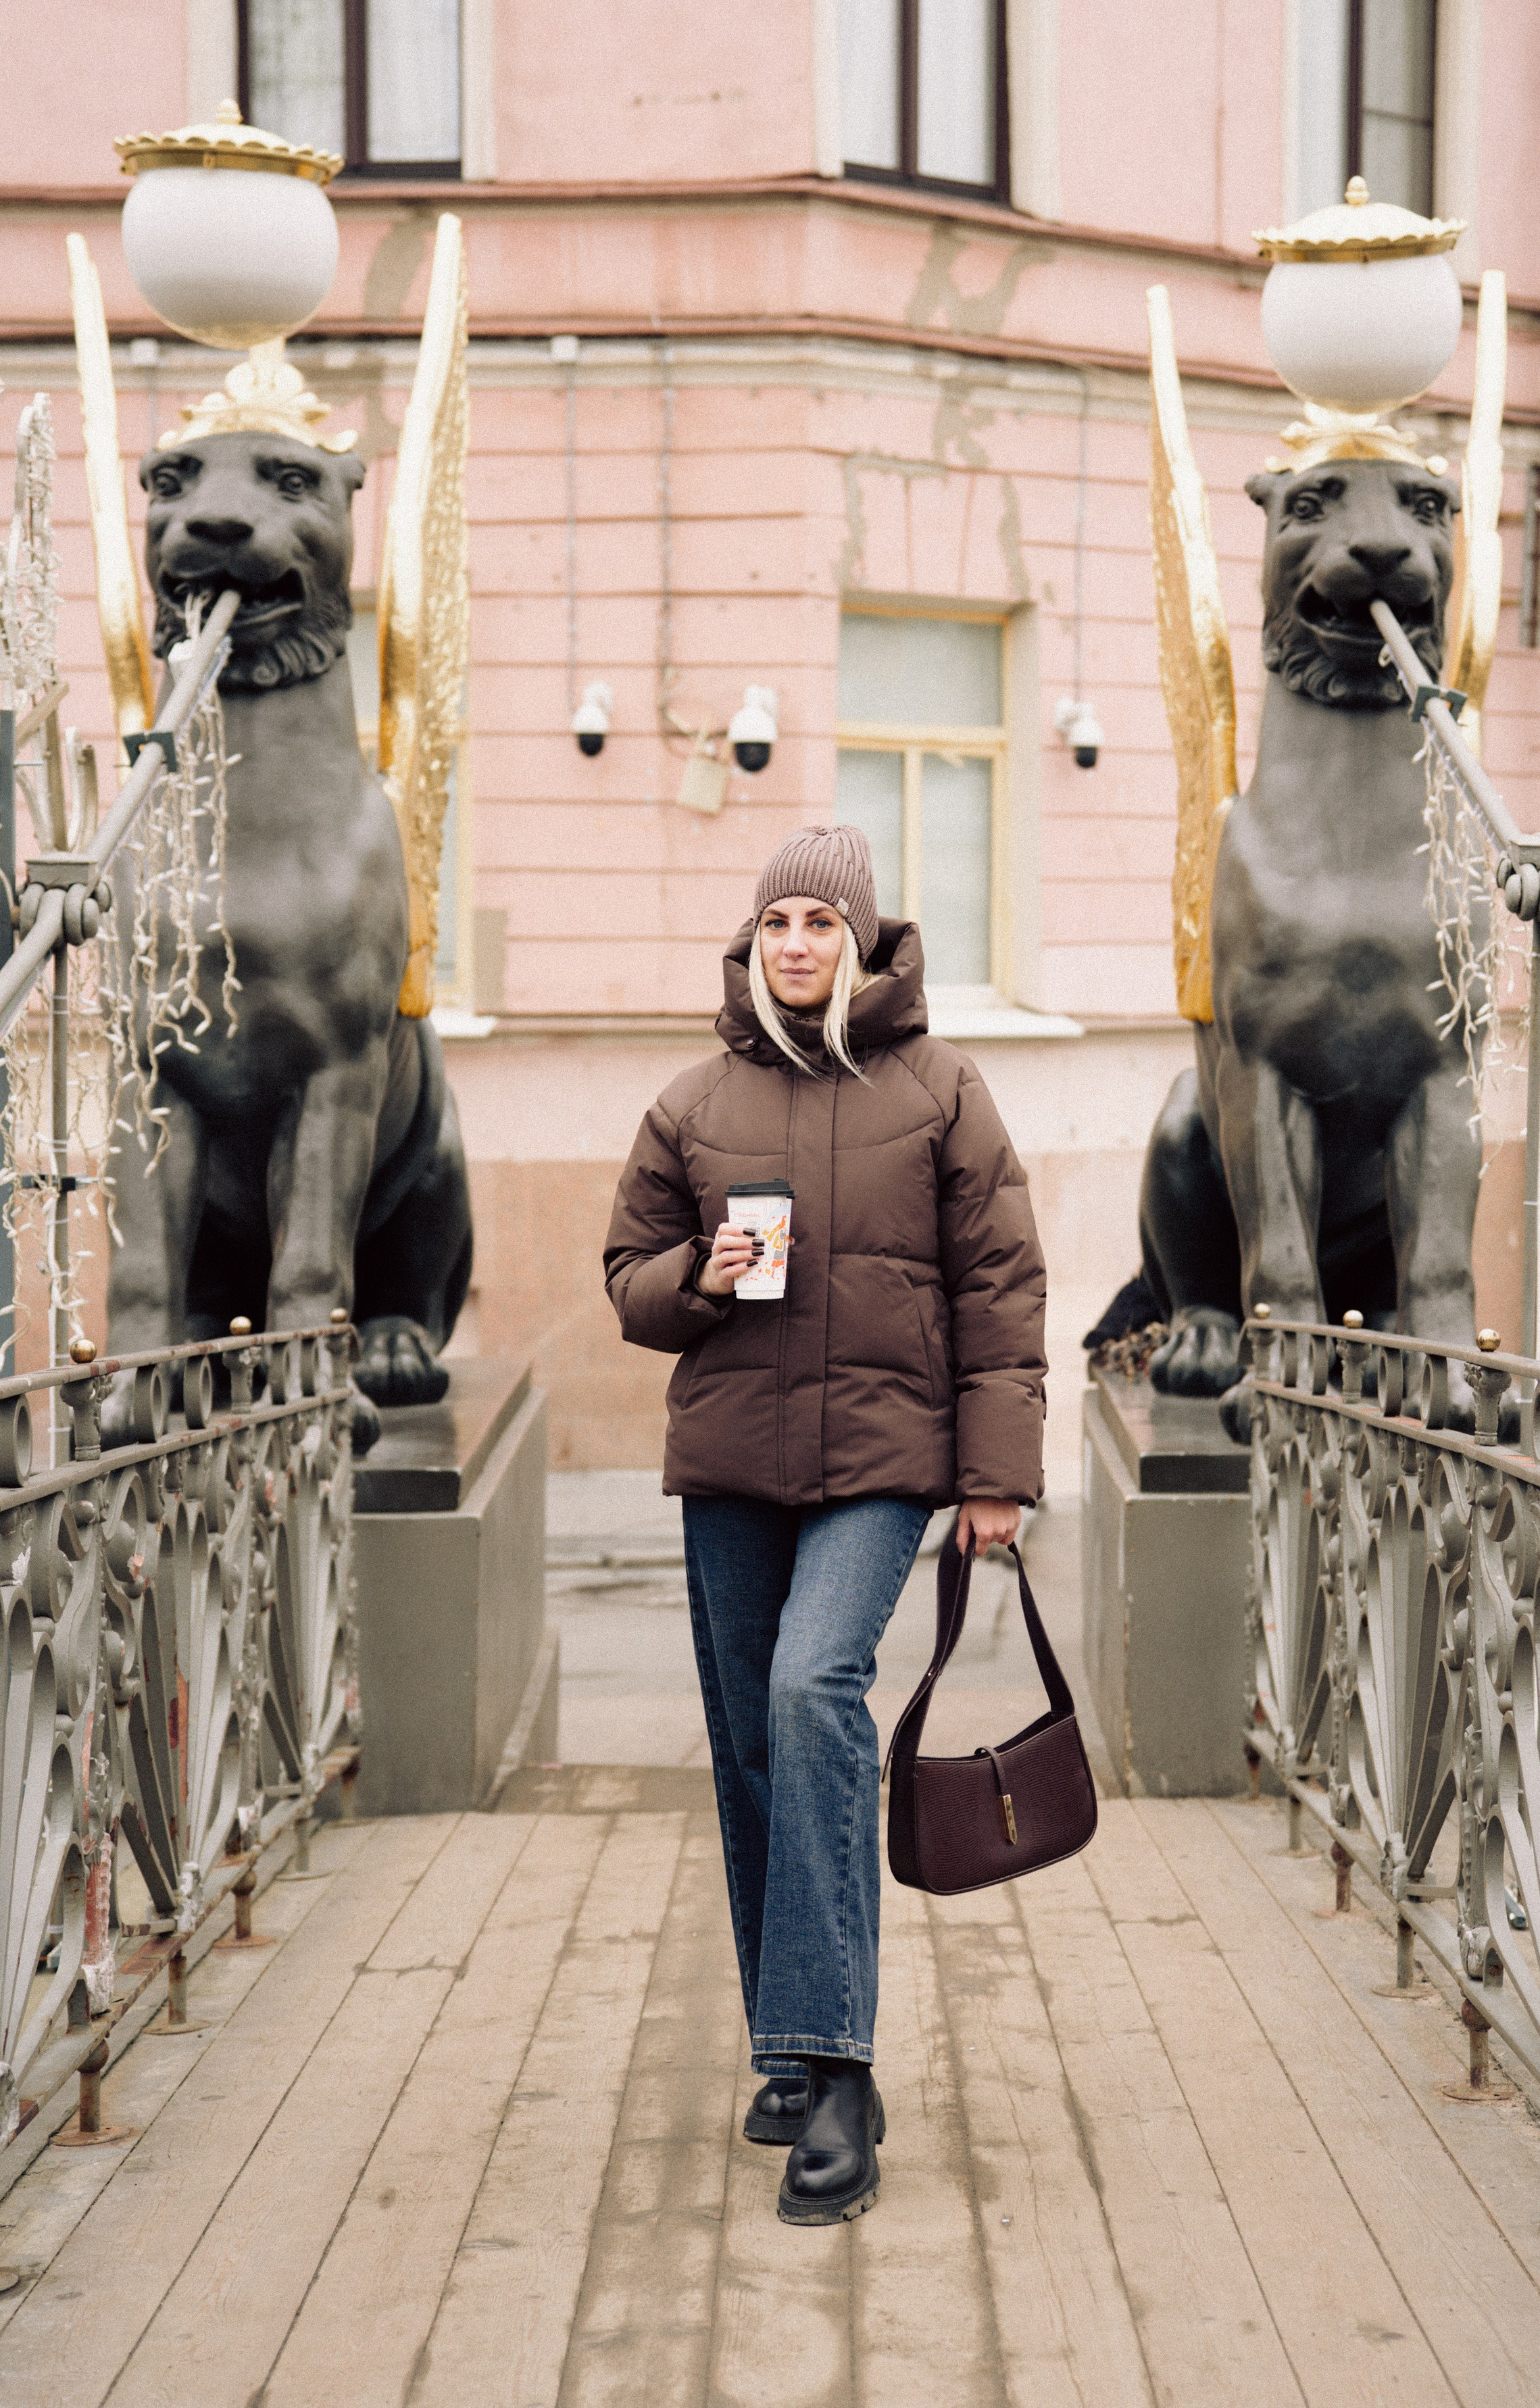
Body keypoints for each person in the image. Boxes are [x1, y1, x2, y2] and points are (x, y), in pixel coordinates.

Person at [605, 822, 1047, 2226]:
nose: (796, 942)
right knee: (748, 1744)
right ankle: (785, 2045)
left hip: (879, 1462)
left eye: (820, 919)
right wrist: (699, 1274)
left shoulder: (941, 1090)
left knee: (812, 1693)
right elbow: (626, 1281)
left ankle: (842, 2070)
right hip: (731, 1460)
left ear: (862, 938)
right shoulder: (689, 1102)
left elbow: (1002, 1288)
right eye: (774, 922)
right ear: (750, 945)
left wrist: (996, 1476)